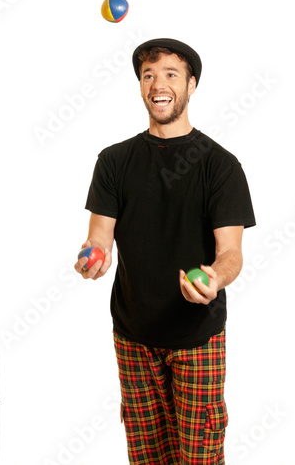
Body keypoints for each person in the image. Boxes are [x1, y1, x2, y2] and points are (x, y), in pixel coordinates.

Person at [74, 38, 256, 465]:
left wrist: (215, 277)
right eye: (149, 75)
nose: (159, 83)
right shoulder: (114, 161)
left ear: (191, 85)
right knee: (147, 458)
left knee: (200, 457)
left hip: (198, 337)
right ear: (140, 87)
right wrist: (92, 256)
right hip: (133, 335)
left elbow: (231, 252)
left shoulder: (220, 165)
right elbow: (98, 238)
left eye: (171, 74)